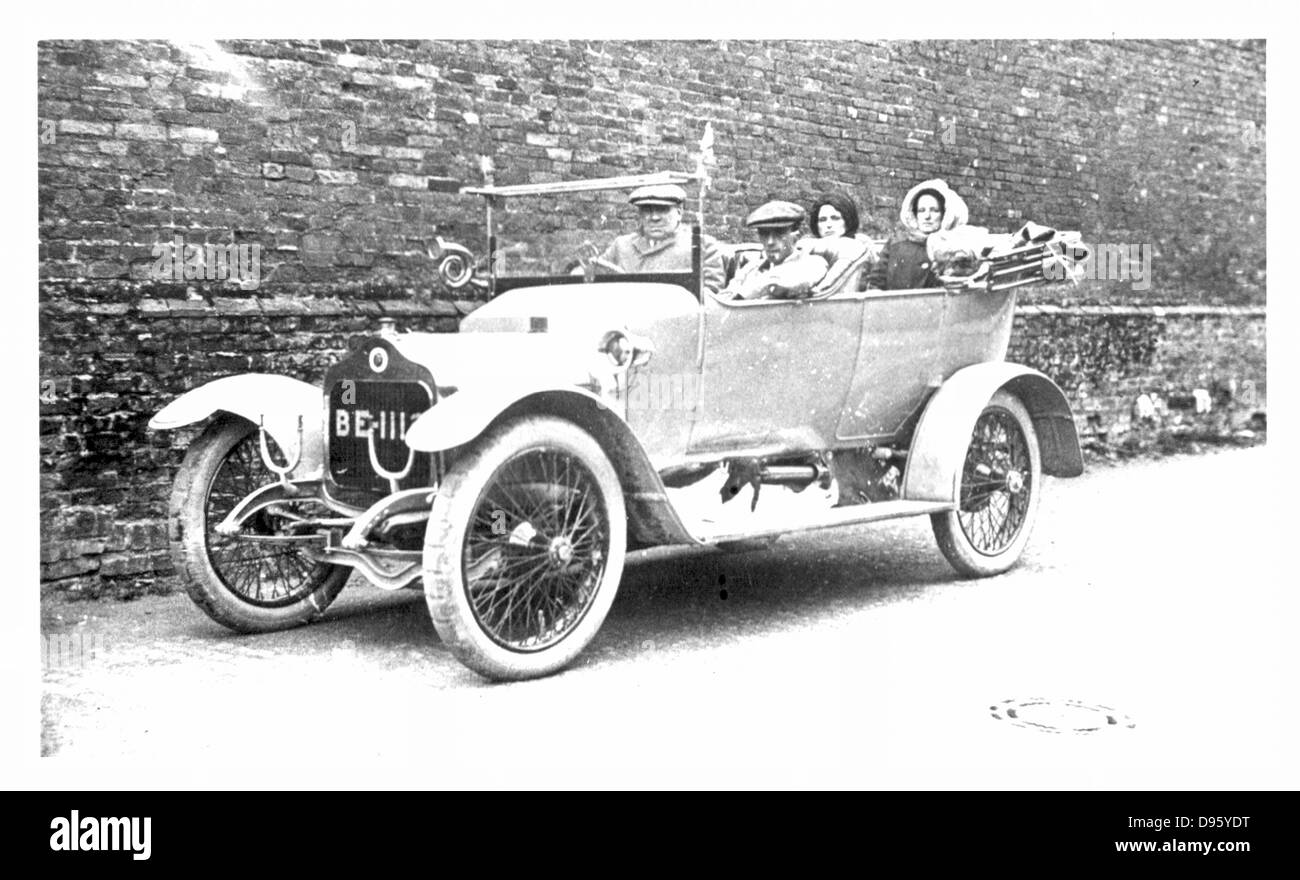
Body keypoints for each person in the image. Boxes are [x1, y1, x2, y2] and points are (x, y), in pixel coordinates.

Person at [576, 184, 725, 292]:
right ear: (640, 215)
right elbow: (593, 277)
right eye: (647, 210)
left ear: (679, 213)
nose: (654, 217)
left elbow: (711, 296)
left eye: (662, 210)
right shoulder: (621, 245)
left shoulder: (701, 246)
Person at [864, 178, 969, 290]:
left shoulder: (953, 248)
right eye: (921, 210)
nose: (927, 216)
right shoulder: (896, 244)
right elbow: (876, 282)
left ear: (944, 214)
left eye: (934, 210)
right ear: (914, 214)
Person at [723, 201, 831, 300]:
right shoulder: (751, 268)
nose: (770, 242)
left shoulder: (813, 263)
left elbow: (786, 282)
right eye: (764, 233)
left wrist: (748, 291)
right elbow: (724, 299)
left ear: (796, 235)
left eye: (779, 233)